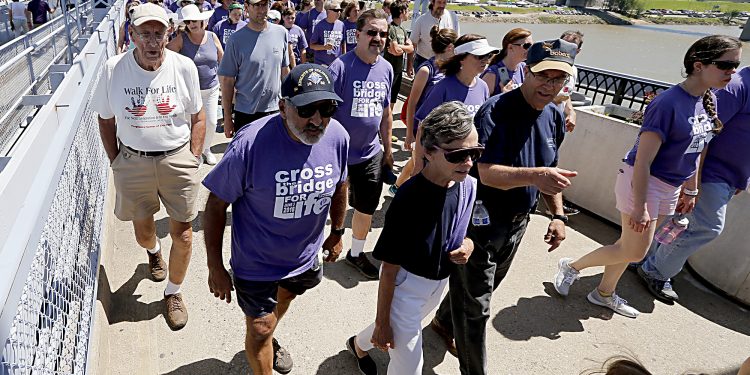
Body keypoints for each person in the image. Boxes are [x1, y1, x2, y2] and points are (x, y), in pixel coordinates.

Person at [553, 35, 741, 318]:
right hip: (644, 183)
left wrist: (690, 190)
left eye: (736, 65)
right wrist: (640, 205)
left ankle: (603, 293)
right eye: (726, 65)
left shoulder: (707, 99)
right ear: (699, 65)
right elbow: (642, 161)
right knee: (637, 252)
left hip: (670, 186)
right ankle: (572, 266)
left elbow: (698, 149)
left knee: (628, 247)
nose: (733, 72)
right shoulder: (667, 104)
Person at [430, 39, 578, 374]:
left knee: (482, 288)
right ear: (526, 71)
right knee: (477, 308)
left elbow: (551, 170)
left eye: (559, 79)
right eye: (544, 76)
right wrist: (536, 176)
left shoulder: (553, 116)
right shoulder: (495, 111)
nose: (550, 86)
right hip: (480, 222)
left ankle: (442, 322)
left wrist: (557, 214)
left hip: (517, 224)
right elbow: (483, 172)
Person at [203, 63, 348, 375]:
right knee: (259, 328)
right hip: (256, 262)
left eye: (327, 108)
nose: (317, 120)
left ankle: (271, 330)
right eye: (308, 109)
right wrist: (214, 266)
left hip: (304, 258)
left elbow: (341, 186)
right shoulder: (249, 145)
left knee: (284, 301)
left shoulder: (337, 137)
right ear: (283, 107)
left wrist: (337, 231)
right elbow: (215, 205)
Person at [91, 3, 206, 331]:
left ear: (169, 34)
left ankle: (173, 292)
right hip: (133, 161)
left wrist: (194, 157)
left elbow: (198, 117)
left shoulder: (183, 67)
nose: (153, 41)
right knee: (143, 232)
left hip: (177, 158)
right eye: (145, 34)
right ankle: (154, 253)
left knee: (183, 234)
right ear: (133, 35)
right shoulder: (114, 69)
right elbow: (105, 117)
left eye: (159, 33)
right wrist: (116, 160)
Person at [346, 101, 478, 375]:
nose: (468, 163)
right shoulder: (409, 199)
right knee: (408, 368)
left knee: (401, 326)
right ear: (428, 151)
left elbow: (465, 230)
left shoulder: (468, 186)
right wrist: (383, 322)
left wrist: (468, 244)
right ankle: (374, 334)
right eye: (457, 155)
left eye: (475, 153)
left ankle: (357, 345)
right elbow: (389, 270)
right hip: (405, 289)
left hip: (439, 283)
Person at [636, 60, 748, 303]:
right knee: (707, 226)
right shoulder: (737, 86)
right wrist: (692, 184)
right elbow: (702, 135)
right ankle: (655, 270)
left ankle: (645, 259)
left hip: (730, 175)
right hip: (711, 172)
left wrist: (742, 175)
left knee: (681, 222)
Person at [328, 9, 393, 279]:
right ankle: (315, 250)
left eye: (383, 34)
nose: (378, 38)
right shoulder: (340, 67)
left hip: (370, 154)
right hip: (338, 155)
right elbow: (324, 113)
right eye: (372, 32)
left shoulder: (387, 68)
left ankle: (356, 254)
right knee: (323, 207)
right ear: (358, 35)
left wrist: (388, 150)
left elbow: (386, 112)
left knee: (366, 207)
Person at [410, 34, 495, 179]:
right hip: (443, 163)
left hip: (468, 162)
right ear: (462, 57)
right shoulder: (443, 87)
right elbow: (422, 126)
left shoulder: (483, 87)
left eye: (487, 56)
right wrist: (418, 162)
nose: (485, 60)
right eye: (479, 56)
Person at [389, 26, 456, 196]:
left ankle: (396, 187)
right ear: (450, 47)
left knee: (414, 161)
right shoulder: (427, 70)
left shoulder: (452, 69)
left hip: (441, 128)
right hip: (422, 128)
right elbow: (411, 103)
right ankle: (410, 198)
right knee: (420, 166)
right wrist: (409, 134)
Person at [218, 0, 290, 138]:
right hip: (246, 113)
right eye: (257, 5)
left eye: (265, 4)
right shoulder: (236, 40)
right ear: (246, 7)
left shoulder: (281, 33)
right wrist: (227, 118)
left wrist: (289, 105)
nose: (261, 9)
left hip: (275, 111)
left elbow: (284, 71)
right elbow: (227, 81)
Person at [167, 4, 223, 165]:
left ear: (202, 21)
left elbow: (222, 58)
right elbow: (166, 57)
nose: (192, 24)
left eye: (195, 20)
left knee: (211, 122)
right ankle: (195, 153)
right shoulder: (180, 39)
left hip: (211, 89)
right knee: (190, 124)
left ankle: (205, 149)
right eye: (189, 21)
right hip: (189, 91)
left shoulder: (212, 36)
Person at [408, 0, 459, 72]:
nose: (441, 5)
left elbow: (456, 41)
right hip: (424, 61)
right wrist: (409, 64)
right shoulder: (421, 20)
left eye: (444, 3)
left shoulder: (452, 17)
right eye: (439, 2)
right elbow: (413, 43)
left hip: (444, 62)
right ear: (432, 2)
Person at [481, 27, 531, 96]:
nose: (530, 49)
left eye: (532, 46)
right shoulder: (494, 73)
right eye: (526, 46)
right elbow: (483, 104)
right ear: (510, 47)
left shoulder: (523, 68)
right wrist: (504, 96)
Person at [383, 1, 412, 111]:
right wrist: (403, 47)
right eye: (407, 11)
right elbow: (395, 50)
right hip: (389, 70)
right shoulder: (391, 28)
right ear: (402, 12)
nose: (408, 13)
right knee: (385, 100)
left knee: (393, 100)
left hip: (399, 70)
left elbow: (411, 49)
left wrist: (401, 48)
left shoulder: (403, 30)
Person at [309, 0, 345, 66]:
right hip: (322, 64)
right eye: (336, 10)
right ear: (328, 11)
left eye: (340, 10)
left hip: (336, 63)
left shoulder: (341, 24)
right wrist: (324, 47)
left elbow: (343, 43)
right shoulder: (319, 26)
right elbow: (312, 45)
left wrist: (344, 59)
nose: (339, 12)